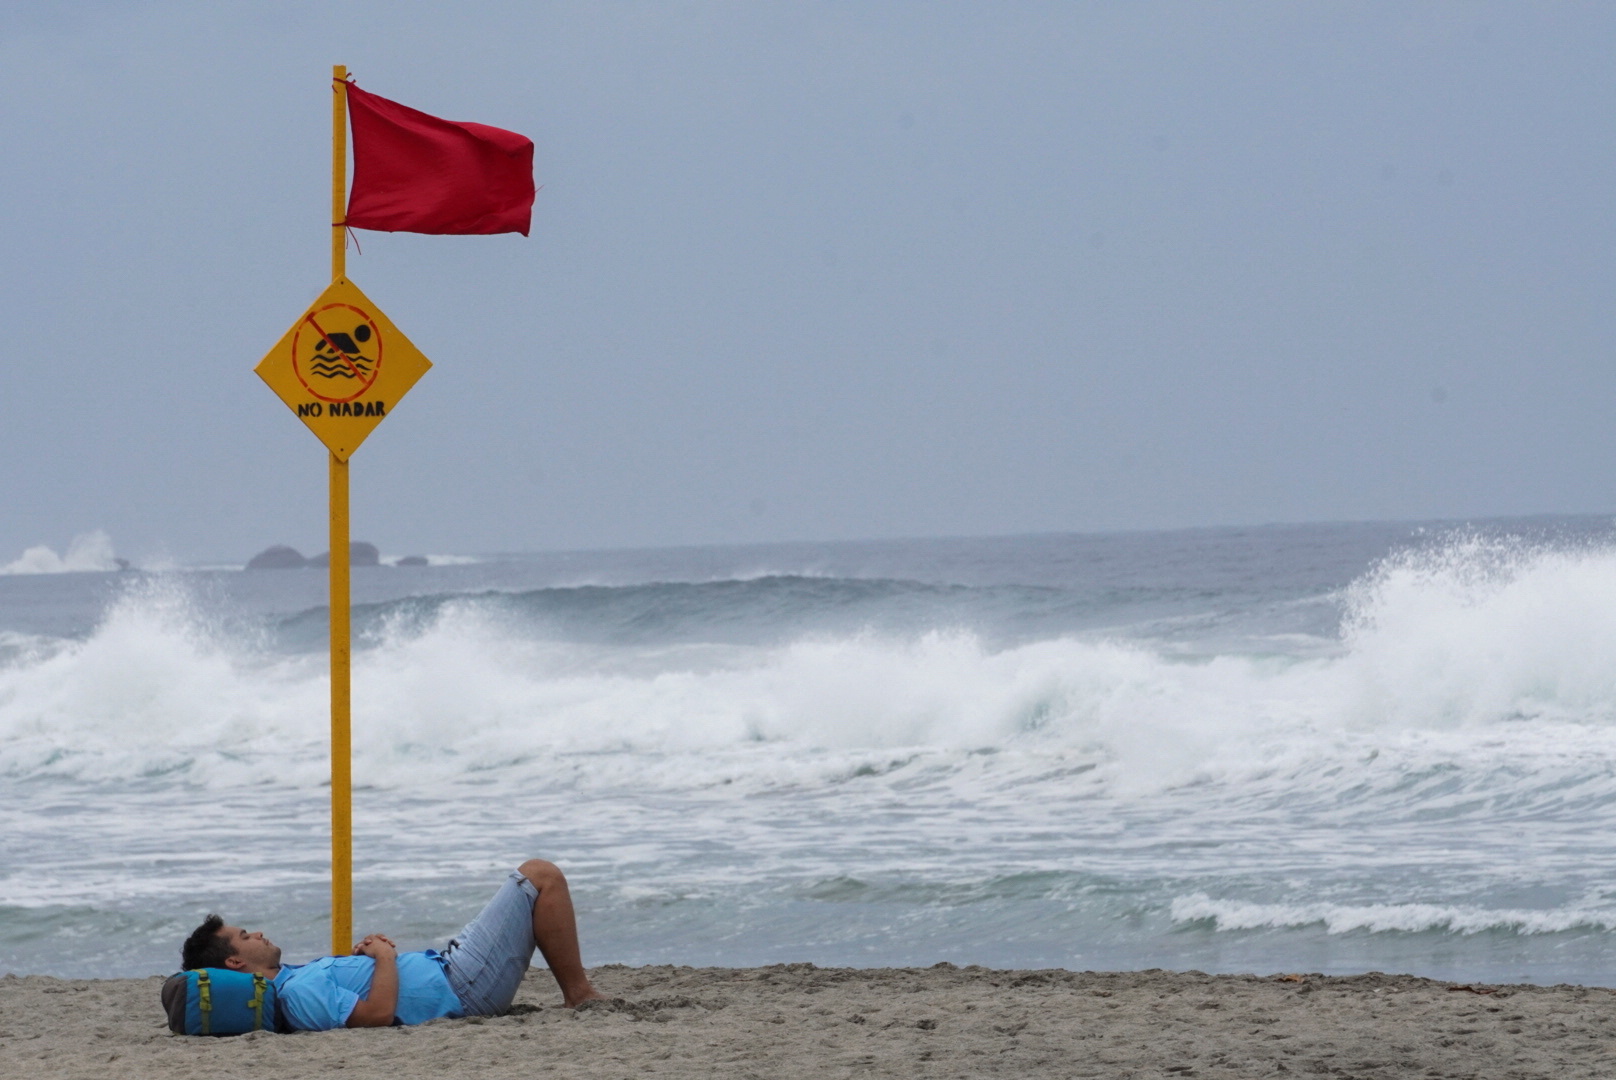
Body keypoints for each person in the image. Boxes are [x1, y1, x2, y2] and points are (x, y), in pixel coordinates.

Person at [179, 859, 604, 1029]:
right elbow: (378, 1016)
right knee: (539, 876)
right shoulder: (296, 993)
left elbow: (357, 996)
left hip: (451, 969)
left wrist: (362, 957)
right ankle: (579, 995)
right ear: (234, 961)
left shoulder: (291, 980)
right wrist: (384, 957)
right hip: (462, 987)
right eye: (243, 935)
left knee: (531, 885)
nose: (256, 933)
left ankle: (577, 993)